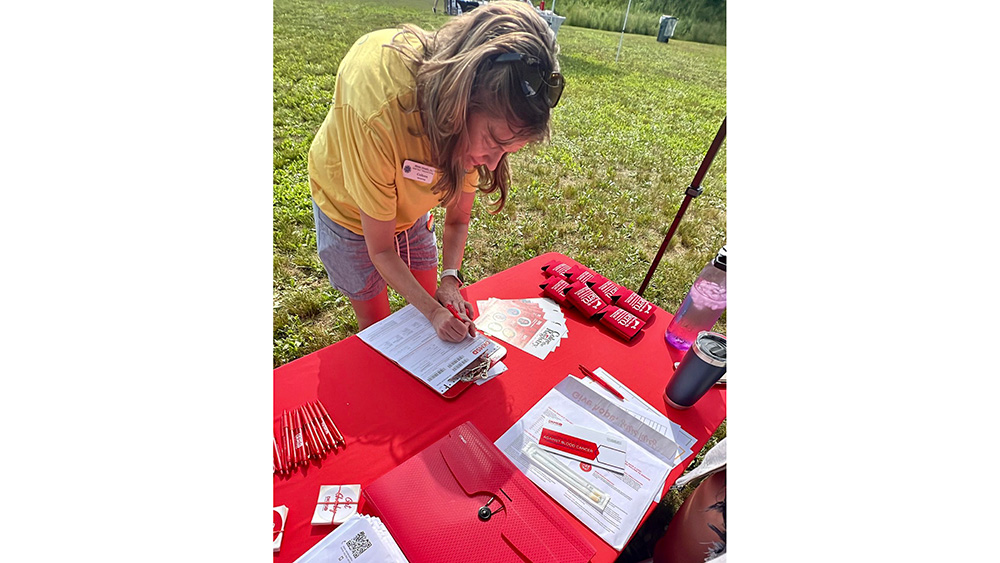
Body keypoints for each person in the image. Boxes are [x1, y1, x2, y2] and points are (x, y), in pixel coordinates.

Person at [308, 1, 563, 342]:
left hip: (409, 206)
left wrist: (449, 280)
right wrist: (433, 312)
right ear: (461, 96)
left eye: (506, 151)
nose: (490, 163)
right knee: (378, 328)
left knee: (431, 307)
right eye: (492, 142)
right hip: (348, 212)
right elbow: (381, 250)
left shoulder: (473, 129)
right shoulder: (379, 113)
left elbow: (458, 219)